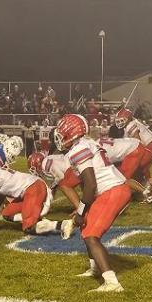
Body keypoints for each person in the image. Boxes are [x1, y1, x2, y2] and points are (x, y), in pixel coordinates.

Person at [54, 113, 132, 292]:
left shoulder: (77, 149)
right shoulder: (86, 143)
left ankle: (111, 283)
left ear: (72, 133)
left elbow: (90, 184)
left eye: (62, 132)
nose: (59, 136)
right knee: (86, 224)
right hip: (114, 188)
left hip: (112, 191)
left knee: (91, 235)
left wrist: (81, 211)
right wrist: (83, 210)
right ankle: (95, 268)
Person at [0, 156, 60, 236]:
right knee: (7, 213)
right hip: (30, 188)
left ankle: (61, 225)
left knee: (29, 228)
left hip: (33, 188)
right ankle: (34, 216)